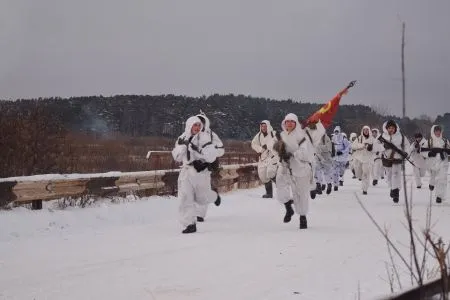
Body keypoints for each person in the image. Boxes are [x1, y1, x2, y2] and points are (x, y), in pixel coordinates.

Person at [172, 116, 221, 234]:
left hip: (201, 174)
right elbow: (176, 157)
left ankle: (214, 196)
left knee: (202, 199)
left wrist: (198, 150)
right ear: (190, 125)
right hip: (186, 172)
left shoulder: (204, 137)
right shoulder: (182, 137)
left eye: (199, 125)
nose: (197, 128)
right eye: (195, 125)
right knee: (185, 198)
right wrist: (183, 147)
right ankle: (190, 223)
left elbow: (211, 155)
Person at [273, 113, 322, 229]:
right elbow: (275, 149)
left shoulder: (302, 136)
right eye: (287, 122)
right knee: (280, 182)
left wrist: (293, 154)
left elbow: (305, 153)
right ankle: (288, 207)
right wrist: (279, 151)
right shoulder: (281, 136)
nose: (289, 124)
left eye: (291, 122)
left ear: (295, 123)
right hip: (285, 167)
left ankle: (302, 217)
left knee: (301, 194)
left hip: (300, 168)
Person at [194, 112, 225, 222]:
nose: (199, 125)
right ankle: (213, 195)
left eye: (201, 122)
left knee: (204, 189)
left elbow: (221, 149)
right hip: (194, 166)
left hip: (209, 166)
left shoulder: (211, 135)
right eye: (197, 122)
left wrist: (211, 154)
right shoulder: (190, 134)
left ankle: (200, 215)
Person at [379, 120, 410, 203]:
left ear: (395, 128)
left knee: (396, 174)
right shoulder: (382, 136)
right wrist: (384, 147)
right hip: (386, 158)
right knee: (389, 176)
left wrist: (406, 153)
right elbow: (376, 147)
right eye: (389, 128)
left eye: (392, 128)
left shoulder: (401, 136)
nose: (391, 129)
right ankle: (392, 188)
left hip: (397, 157)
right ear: (386, 128)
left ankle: (396, 192)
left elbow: (407, 145)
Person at [251, 120, 278, 198]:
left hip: (272, 156)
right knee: (262, 175)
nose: (264, 128)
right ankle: (269, 193)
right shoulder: (258, 135)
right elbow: (253, 144)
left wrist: (269, 146)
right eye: (262, 126)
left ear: (268, 126)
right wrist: (260, 149)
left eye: (265, 126)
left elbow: (279, 143)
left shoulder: (274, 133)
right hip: (262, 158)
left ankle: (282, 189)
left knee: (271, 173)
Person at [422, 125, 449, 203]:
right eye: (436, 131)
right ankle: (431, 184)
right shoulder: (429, 141)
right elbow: (422, 151)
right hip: (432, 164)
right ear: (433, 131)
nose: (438, 132)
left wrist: (444, 152)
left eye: (439, 131)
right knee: (433, 177)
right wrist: (429, 154)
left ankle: (439, 196)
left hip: (443, 163)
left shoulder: (445, 141)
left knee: (442, 179)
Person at [351, 126, 374, 194]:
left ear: (369, 130)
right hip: (359, 158)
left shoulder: (372, 139)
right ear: (362, 131)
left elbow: (376, 148)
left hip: (367, 159)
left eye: (367, 130)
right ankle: (359, 177)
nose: (366, 131)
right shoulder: (359, 138)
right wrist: (361, 146)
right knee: (358, 172)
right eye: (365, 130)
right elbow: (353, 146)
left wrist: (371, 148)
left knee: (366, 173)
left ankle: (365, 189)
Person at [331, 126, 350, 190]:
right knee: (335, 172)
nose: (336, 132)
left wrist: (342, 152)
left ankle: (341, 174)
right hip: (335, 158)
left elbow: (348, 147)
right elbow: (331, 146)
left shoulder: (343, 139)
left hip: (342, 158)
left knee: (341, 171)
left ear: (339, 132)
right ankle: (335, 185)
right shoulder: (333, 138)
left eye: (337, 131)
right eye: (335, 131)